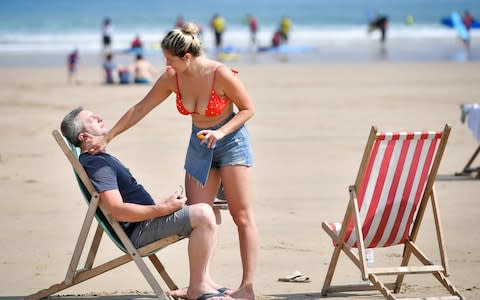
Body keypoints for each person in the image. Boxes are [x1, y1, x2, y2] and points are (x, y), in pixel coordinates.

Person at [85, 22, 258, 300]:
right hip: (199, 145)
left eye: (170, 59)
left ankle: (247, 287)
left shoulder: (220, 74)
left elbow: (248, 109)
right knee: (202, 212)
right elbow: (140, 108)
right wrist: (108, 138)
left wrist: (220, 131)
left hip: (232, 143)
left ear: (187, 58)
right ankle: (201, 283)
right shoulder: (172, 78)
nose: (166, 64)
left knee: (241, 216)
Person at [60, 107, 229, 300]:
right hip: (139, 231)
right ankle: (198, 288)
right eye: (91, 119)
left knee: (212, 211)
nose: (99, 117)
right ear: (83, 136)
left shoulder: (100, 159)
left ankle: (203, 281)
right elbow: (117, 210)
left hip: (145, 221)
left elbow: (131, 200)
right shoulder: (97, 165)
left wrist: (165, 202)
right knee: (204, 214)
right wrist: (162, 209)